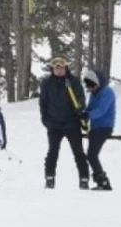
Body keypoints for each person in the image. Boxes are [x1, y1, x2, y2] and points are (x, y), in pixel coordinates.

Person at [38, 57, 90, 189]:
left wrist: (80, 106)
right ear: (52, 69)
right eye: (57, 68)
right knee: (52, 152)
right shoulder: (46, 83)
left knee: (78, 152)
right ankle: (49, 178)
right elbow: (43, 103)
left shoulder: (73, 81)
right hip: (54, 124)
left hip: (71, 123)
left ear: (66, 68)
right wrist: (46, 121)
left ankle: (84, 179)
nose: (59, 70)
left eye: (62, 67)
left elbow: (81, 98)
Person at [82, 68, 116, 191]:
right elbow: (90, 108)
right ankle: (101, 181)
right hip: (95, 128)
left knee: (91, 155)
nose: (88, 88)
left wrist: (88, 115)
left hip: (104, 127)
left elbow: (102, 110)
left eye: (90, 85)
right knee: (91, 155)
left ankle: (103, 182)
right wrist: (83, 116)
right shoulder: (93, 94)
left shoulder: (107, 92)